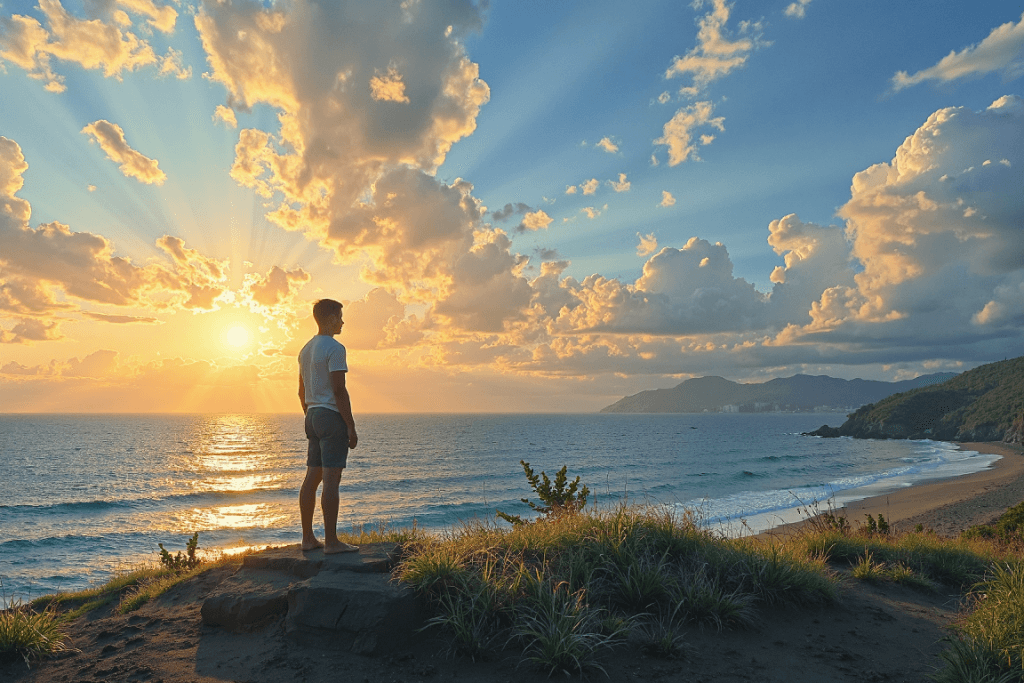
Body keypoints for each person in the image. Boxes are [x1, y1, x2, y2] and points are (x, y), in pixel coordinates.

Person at [298, 298, 359, 554]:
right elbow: (339, 390)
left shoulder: (306, 349)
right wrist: (350, 425)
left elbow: (301, 391)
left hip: (311, 414)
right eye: (340, 316)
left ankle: (308, 538)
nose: (343, 321)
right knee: (332, 479)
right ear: (331, 318)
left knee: (312, 477)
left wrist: (311, 414)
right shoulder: (335, 348)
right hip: (329, 415)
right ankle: (332, 542)